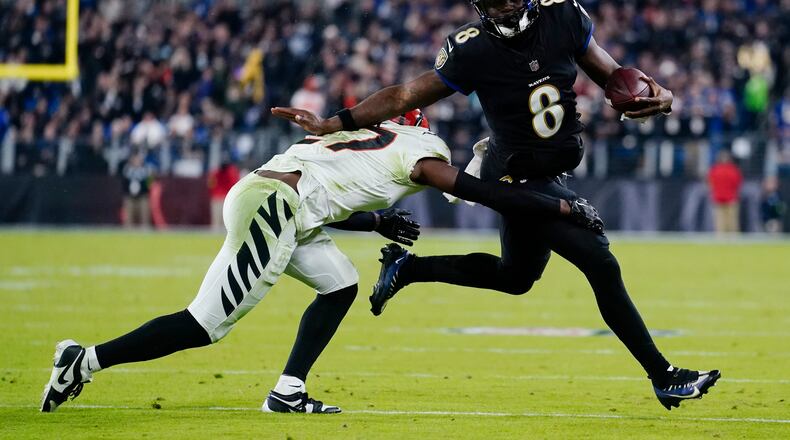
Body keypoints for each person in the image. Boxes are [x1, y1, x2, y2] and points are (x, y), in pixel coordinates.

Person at [273, 0, 720, 410]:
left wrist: (657, 99)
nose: (505, 3)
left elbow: (613, 76)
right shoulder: (471, 48)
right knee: (599, 261)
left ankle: (407, 269)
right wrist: (334, 122)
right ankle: (663, 375)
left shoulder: (563, 15)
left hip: (550, 170)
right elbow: (405, 96)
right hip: (514, 175)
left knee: (517, 277)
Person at [41, 110, 600, 414]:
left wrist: (378, 222)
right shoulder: (420, 152)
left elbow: (329, 199)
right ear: (420, 129)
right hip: (274, 206)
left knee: (340, 283)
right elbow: (477, 193)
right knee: (203, 325)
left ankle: (289, 388)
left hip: (282, 203)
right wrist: (558, 204)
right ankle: (83, 361)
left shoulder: (368, 137)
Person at [708, 150, 743, 235]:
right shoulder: (733, 170)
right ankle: (732, 239)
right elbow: (738, 184)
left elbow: (710, 184)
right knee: (731, 221)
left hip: (720, 198)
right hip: (730, 198)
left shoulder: (715, 170)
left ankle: (721, 239)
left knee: (720, 221)